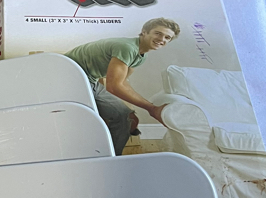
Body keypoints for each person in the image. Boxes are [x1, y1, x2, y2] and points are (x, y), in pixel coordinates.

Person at [65, 18, 181, 154]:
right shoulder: (127, 47)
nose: (161, 39)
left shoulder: (140, 56)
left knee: (127, 117)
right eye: (158, 33)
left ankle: (111, 158)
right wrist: (151, 108)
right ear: (144, 32)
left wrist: (149, 108)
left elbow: (122, 82)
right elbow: (113, 86)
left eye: (167, 37)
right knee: (100, 119)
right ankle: (104, 157)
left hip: (88, 80)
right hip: (69, 78)